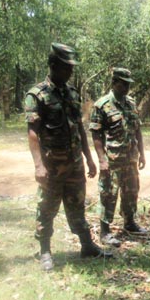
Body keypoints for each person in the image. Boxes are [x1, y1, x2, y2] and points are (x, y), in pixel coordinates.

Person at [25, 43, 112, 271]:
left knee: (77, 205)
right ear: (53, 66)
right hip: (52, 165)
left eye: (71, 68)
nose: (70, 72)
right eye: (66, 67)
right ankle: (44, 251)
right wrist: (38, 166)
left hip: (74, 164)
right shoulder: (37, 95)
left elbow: (79, 128)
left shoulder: (72, 93)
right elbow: (32, 132)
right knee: (47, 209)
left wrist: (89, 158)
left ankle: (87, 246)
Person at [89, 68, 148, 248]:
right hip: (113, 160)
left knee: (131, 192)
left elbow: (137, 129)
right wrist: (102, 160)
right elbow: (96, 134)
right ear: (114, 83)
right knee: (108, 194)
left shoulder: (130, 103)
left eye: (129, 84)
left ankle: (129, 223)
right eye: (123, 84)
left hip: (130, 158)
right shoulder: (102, 105)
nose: (127, 88)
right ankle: (105, 231)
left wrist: (142, 153)